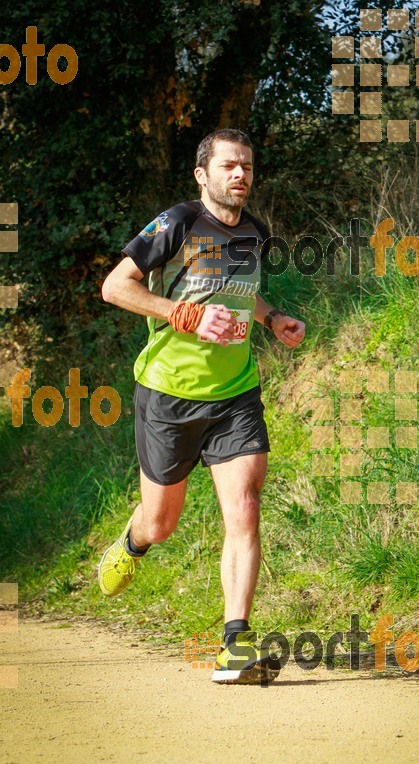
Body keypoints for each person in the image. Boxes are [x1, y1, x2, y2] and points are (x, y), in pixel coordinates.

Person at [97, 128, 305, 684]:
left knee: (244, 507)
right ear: (203, 174)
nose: (241, 175)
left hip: (235, 392)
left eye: (248, 168)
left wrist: (270, 318)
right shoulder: (177, 224)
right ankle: (133, 540)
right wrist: (182, 315)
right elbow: (115, 287)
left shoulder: (255, 233)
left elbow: (241, 290)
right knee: (162, 523)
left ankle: (234, 643)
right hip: (168, 394)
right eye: (230, 166)